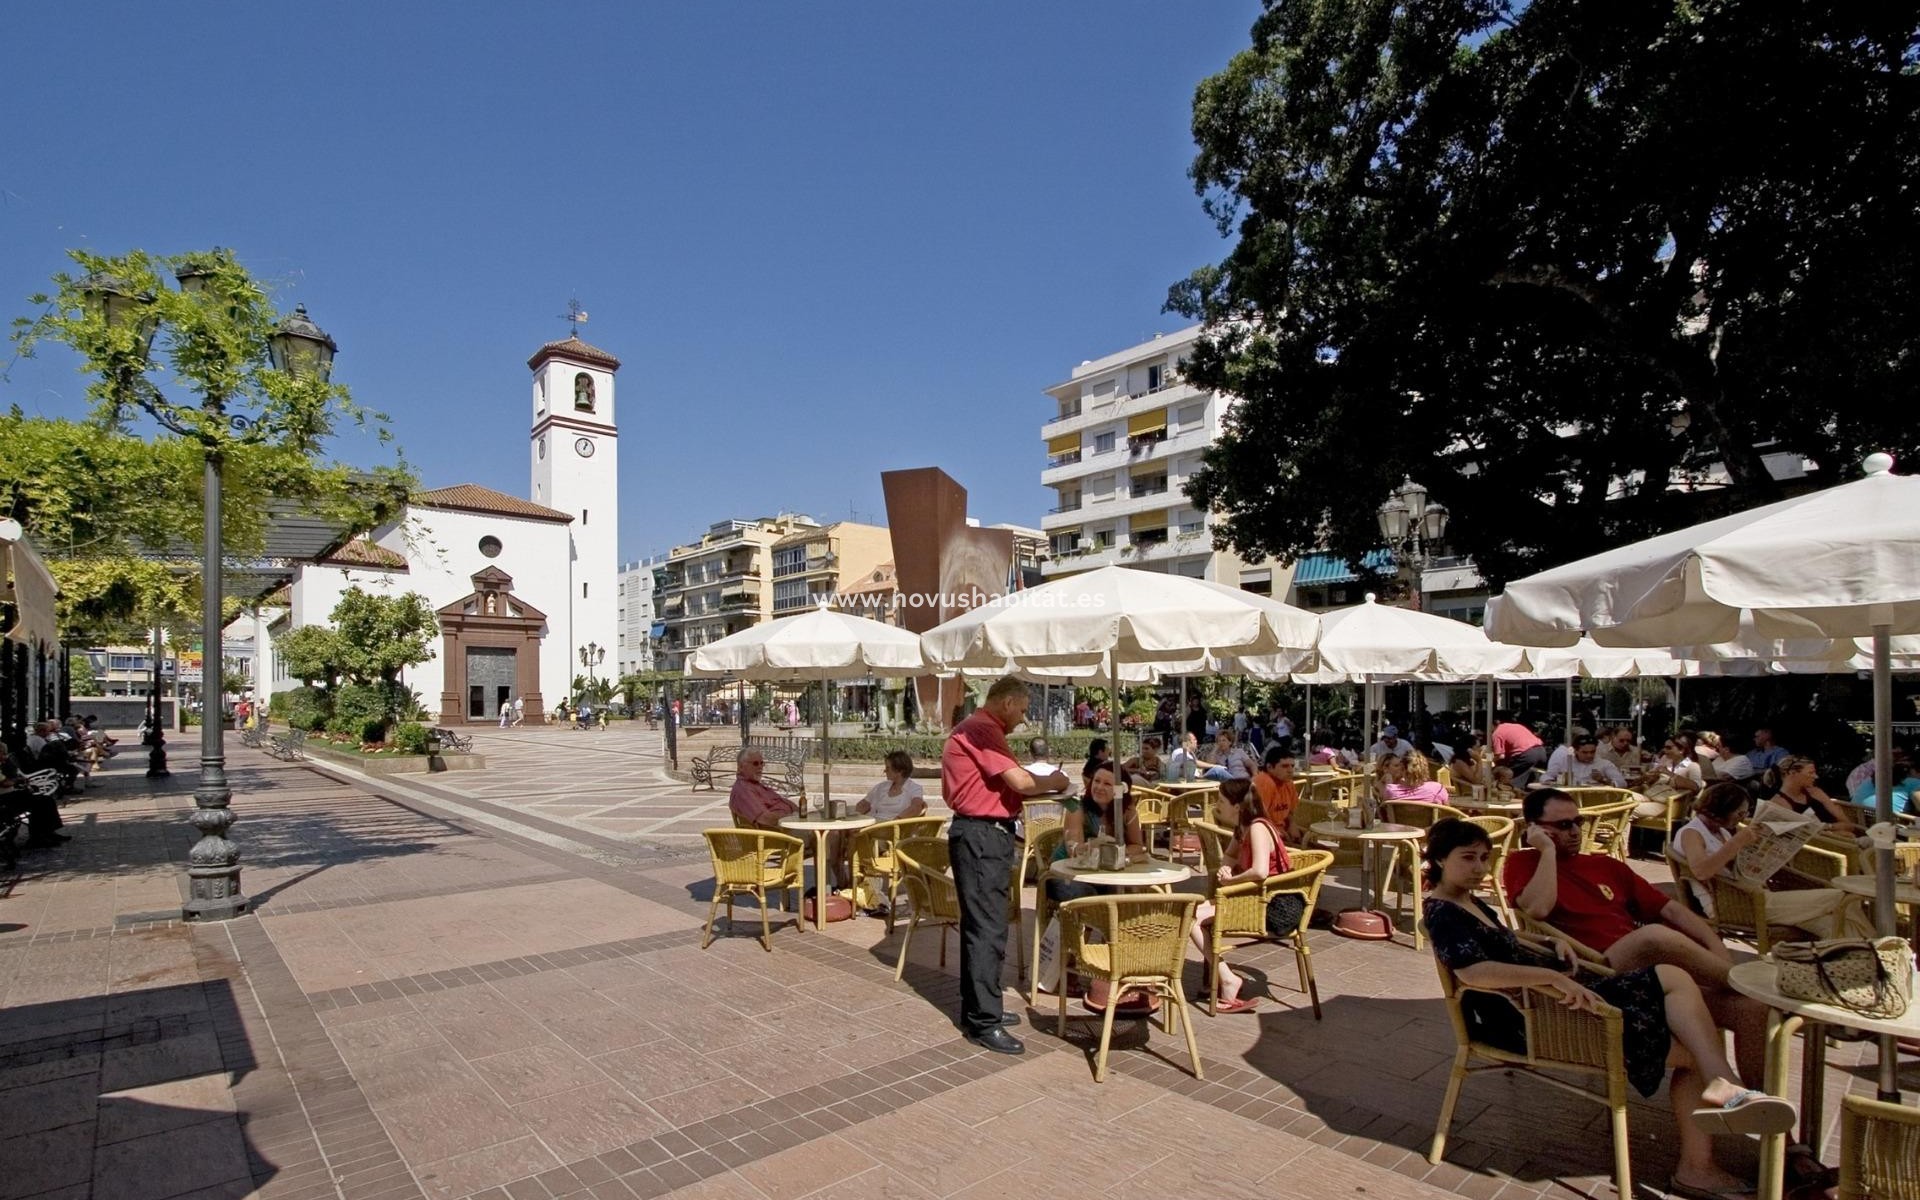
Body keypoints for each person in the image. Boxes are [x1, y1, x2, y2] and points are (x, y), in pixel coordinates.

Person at [1424, 819, 1796, 1198]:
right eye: (1468, 858)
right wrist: (1550, 977)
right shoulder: (1442, 912)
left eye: (1484, 858)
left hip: (1551, 1003)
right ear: (1439, 859)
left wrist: (1550, 945)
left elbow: (1502, 940)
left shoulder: (1468, 902)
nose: (1479, 867)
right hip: (1531, 1020)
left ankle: (1719, 1102)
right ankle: (1708, 1137)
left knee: (1679, 997)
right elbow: (1473, 971)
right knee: (1690, 1036)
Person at [1504, 788, 1771, 1088]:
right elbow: (1538, 909)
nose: (1576, 831)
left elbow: (1671, 909)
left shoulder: (1606, 866)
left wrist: (1716, 946)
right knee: (1654, 936)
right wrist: (1547, 852)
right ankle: (1751, 983)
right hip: (1594, 970)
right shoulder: (1523, 863)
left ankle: (1754, 1103)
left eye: (1578, 822)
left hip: (1647, 975)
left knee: (1752, 1008)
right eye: (1563, 825)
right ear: (1536, 829)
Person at [941, 675, 1074, 1054]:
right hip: (982, 836)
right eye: (1022, 709)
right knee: (988, 928)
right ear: (1007, 702)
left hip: (980, 834)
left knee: (982, 926)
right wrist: (1057, 780)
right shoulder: (982, 729)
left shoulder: (979, 728)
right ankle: (985, 1020)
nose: (1023, 717)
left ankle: (979, 1009)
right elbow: (1021, 782)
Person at [1676, 782, 1871, 940]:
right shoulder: (1692, 833)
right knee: (1844, 898)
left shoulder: (1720, 831)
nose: (1741, 818)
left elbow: (1730, 863)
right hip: (1738, 904)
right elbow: (1701, 870)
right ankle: (1878, 948)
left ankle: (1859, 962)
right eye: (1739, 813)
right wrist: (1737, 842)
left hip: (1752, 896)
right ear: (1722, 809)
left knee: (1833, 926)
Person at [1188, 776, 1292, 1013]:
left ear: (1236, 806)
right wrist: (1226, 867)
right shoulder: (1242, 829)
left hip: (1272, 908)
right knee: (1190, 914)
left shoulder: (1257, 828)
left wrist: (1231, 880)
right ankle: (1223, 977)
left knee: (1192, 919)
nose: (1217, 805)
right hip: (1254, 899)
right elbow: (1230, 856)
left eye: (1221, 801)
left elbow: (1260, 871)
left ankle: (1227, 979)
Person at [1048, 762, 1145, 906]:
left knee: (1133, 892)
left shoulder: (1127, 810)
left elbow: (1137, 845)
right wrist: (1098, 844)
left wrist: (1115, 853)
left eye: (1107, 784)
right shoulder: (1077, 807)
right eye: (1097, 781)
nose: (1099, 787)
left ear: (1121, 789)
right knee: (1089, 896)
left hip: (1104, 874)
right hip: (1066, 874)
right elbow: (1074, 851)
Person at [0, 744, 68, 849]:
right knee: (39, 803)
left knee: (46, 800)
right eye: (3, 753)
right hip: (4, 800)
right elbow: (5, 783)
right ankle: (37, 838)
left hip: (8, 796)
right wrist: (17, 781)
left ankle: (48, 833)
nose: (6, 756)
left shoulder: (3, 763)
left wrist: (16, 779)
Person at [1767, 755, 1858, 833]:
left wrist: (1825, 827)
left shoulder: (1815, 793)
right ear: (1792, 773)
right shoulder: (1778, 803)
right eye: (1811, 773)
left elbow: (1849, 826)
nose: (1816, 776)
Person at [727, 748, 798, 831]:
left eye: (761, 763)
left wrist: (798, 812)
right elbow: (766, 818)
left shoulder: (754, 784)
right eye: (755, 763)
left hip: (787, 826)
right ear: (741, 767)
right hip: (777, 835)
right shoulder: (744, 790)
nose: (760, 767)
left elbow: (780, 800)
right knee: (810, 834)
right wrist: (792, 818)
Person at [1540, 734, 1627, 789]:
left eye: (1592, 752)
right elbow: (1546, 777)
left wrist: (1603, 780)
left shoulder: (1604, 764)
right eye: (1585, 752)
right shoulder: (1566, 762)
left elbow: (1622, 783)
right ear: (1575, 751)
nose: (1589, 755)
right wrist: (1555, 783)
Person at [1251, 745, 1302, 838]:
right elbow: (1257, 818)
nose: (1290, 770)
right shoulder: (1264, 782)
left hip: (1282, 830)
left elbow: (1290, 811)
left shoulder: (1288, 783)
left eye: (1292, 766)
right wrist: (1275, 831)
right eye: (1285, 766)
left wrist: (1292, 824)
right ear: (1270, 767)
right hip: (1263, 834)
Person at [1491, 712, 1548, 787]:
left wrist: (1491, 762)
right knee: (1530, 779)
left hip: (1526, 755)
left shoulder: (1497, 733)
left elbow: (1500, 756)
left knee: (1507, 776)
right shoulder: (1516, 726)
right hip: (1541, 751)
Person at [1382, 750, 1449, 804]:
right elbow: (1447, 812)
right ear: (1425, 769)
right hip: (1429, 818)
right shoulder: (1437, 789)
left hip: (1399, 818)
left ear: (1403, 769)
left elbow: (1384, 812)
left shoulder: (1390, 790)